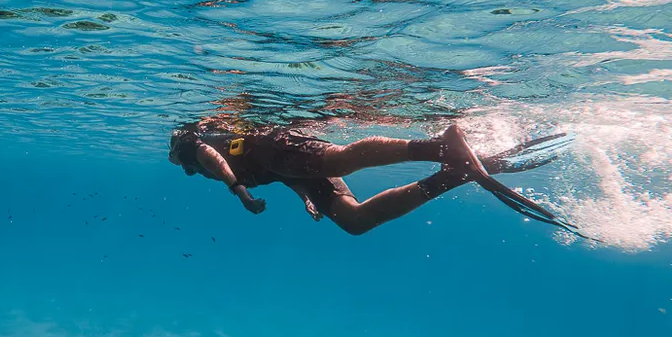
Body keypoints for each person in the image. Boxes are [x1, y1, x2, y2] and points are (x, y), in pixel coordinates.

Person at [167, 119, 574, 236]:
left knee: (340, 161)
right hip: (280, 166)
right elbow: (276, 175)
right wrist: (304, 195)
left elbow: (208, 156)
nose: (181, 167)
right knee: (354, 221)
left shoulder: (193, 144)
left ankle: (438, 146)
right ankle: (450, 176)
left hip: (273, 145)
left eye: (175, 160)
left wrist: (237, 190)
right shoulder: (202, 157)